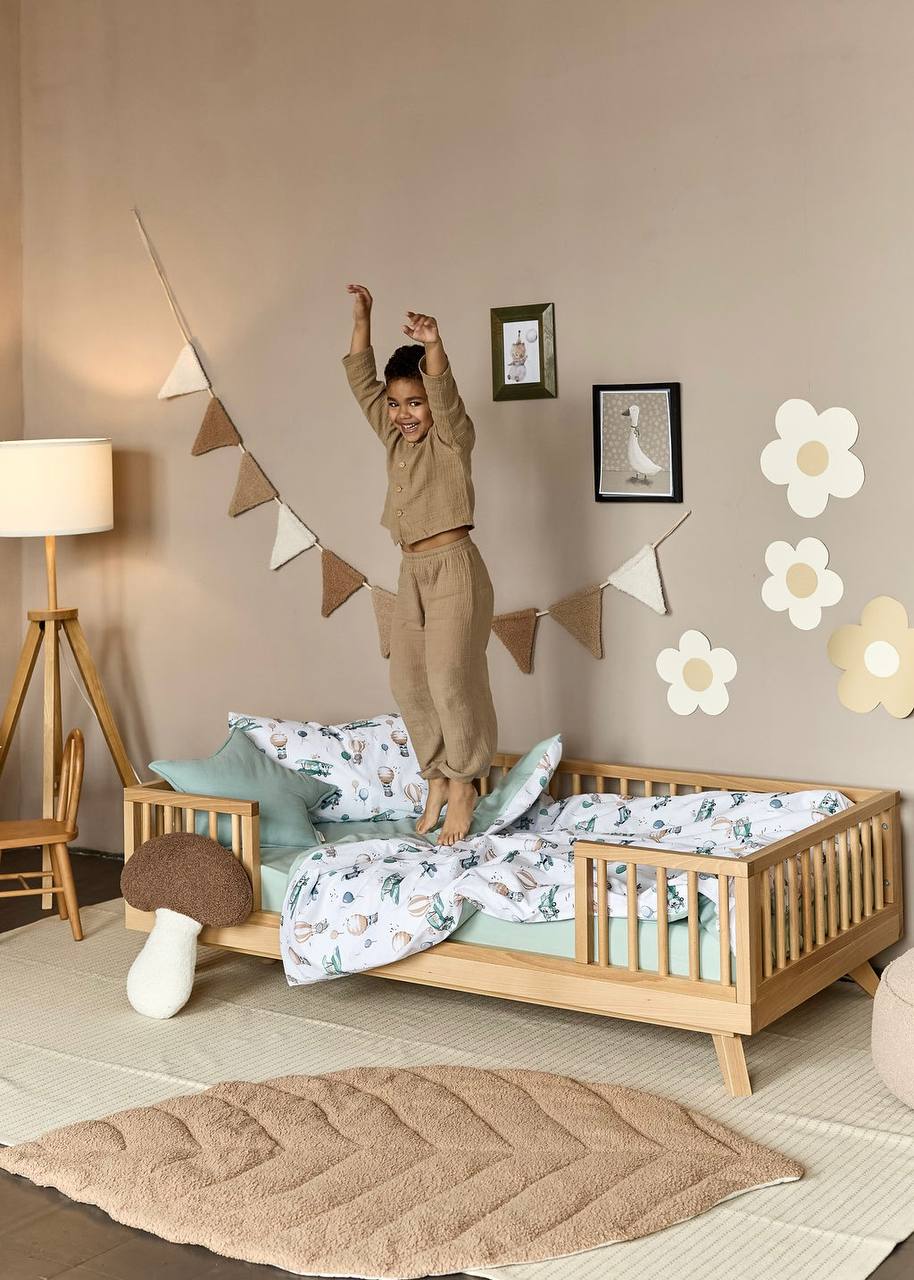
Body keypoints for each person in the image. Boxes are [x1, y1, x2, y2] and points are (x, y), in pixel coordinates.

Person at [343, 284, 497, 845]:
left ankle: (464, 784)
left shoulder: (453, 438)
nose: (404, 414)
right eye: (396, 403)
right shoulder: (394, 439)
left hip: (455, 569)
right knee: (407, 681)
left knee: (449, 679)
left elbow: (446, 397)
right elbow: (361, 381)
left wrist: (433, 345)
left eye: (415, 402)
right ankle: (435, 777)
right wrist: (364, 317)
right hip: (410, 573)